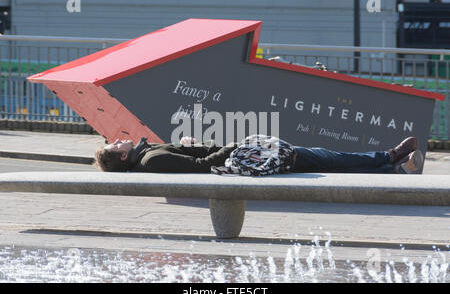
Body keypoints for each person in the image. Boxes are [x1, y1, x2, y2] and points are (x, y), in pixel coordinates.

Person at [94, 136, 423, 174]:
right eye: (115, 145)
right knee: (325, 157)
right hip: (249, 159)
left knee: (324, 158)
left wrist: (184, 142)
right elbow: (201, 166)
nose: (118, 139)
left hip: (246, 157)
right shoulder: (151, 160)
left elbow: (190, 155)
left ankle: (389, 166)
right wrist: (237, 145)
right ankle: (389, 156)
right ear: (122, 157)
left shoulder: (148, 153)